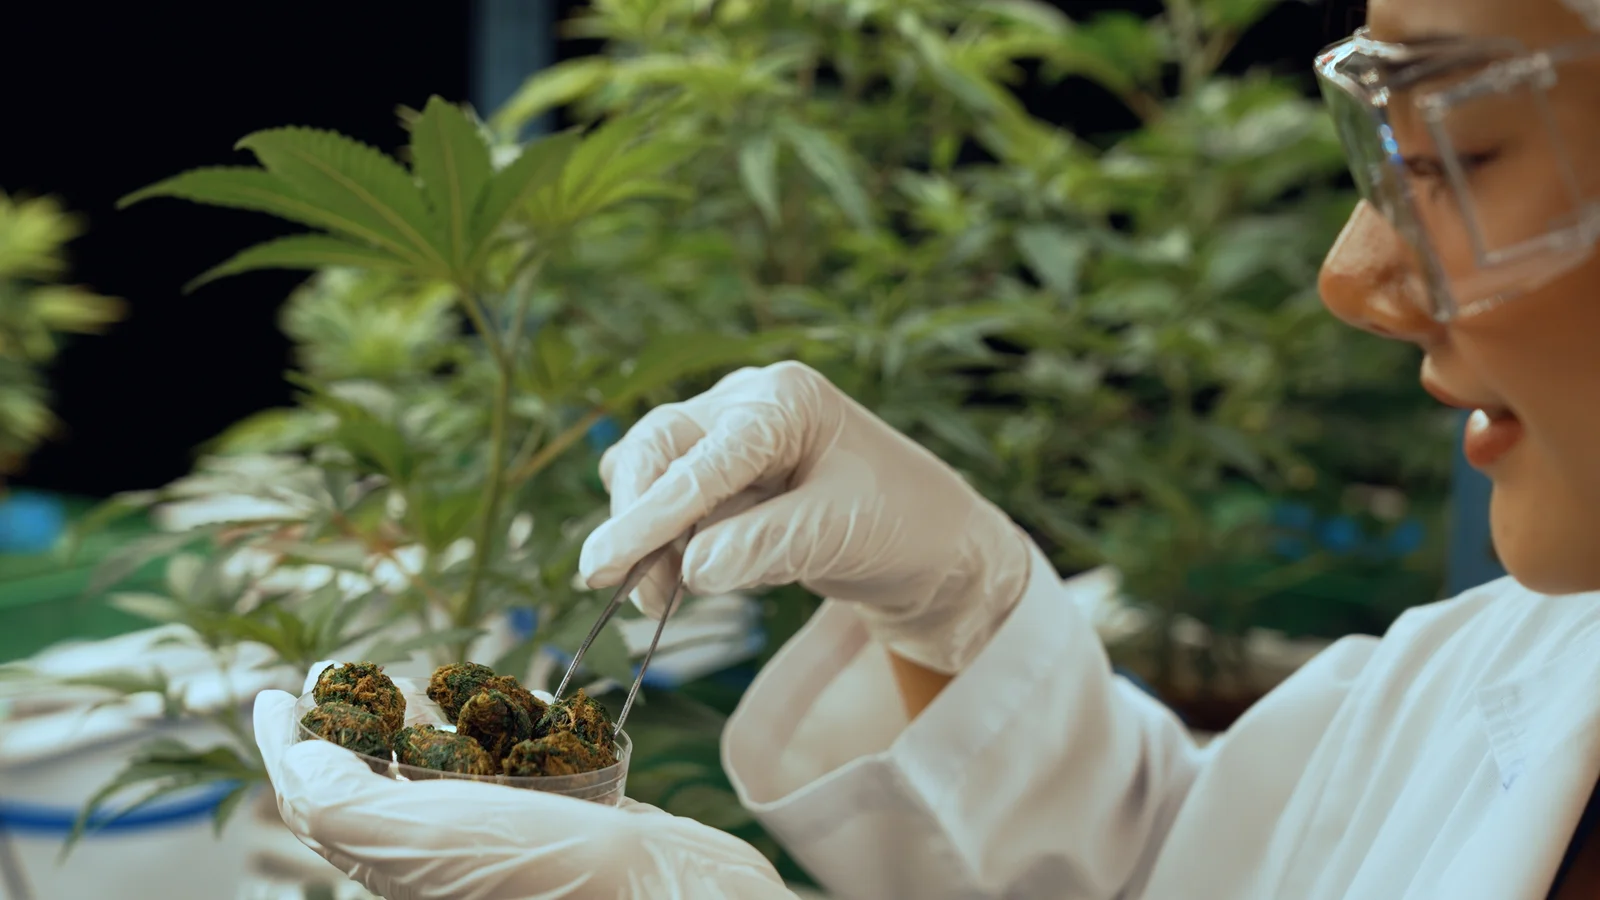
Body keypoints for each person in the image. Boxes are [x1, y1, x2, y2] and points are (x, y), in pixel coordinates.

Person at [249, 0, 1600, 896]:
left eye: (1464, 150)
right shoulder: (1500, 668)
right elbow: (1212, 870)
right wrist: (961, 617)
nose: (1352, 275)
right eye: (1378, 148)